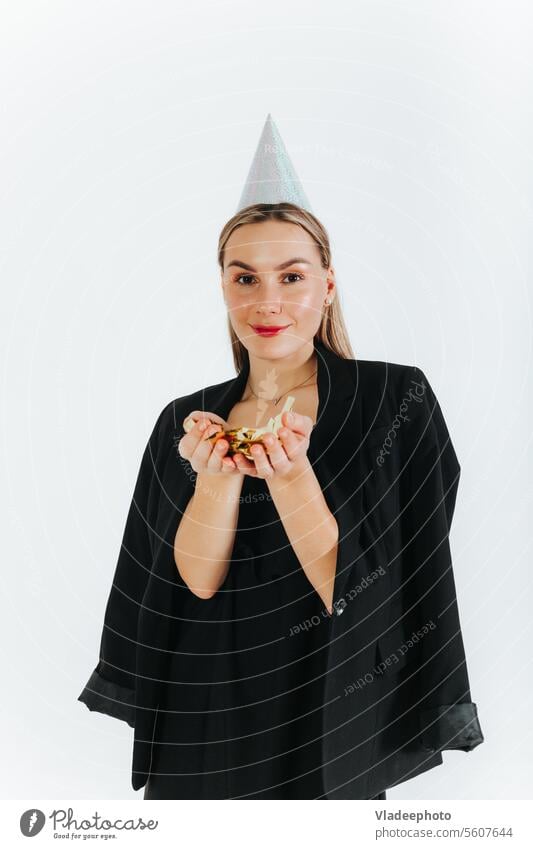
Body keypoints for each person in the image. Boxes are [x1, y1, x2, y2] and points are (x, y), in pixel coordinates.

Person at [78, 117, 483, 800]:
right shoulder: (188, 419)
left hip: (332, 705)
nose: (266, 301)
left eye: (290, 275)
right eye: (244, 277)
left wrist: (293, 476)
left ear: (327, 285)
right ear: (223, 287)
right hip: (206, 715)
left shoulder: (393, 399)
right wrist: (214, 481)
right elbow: (196, 585)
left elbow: (357, 591)